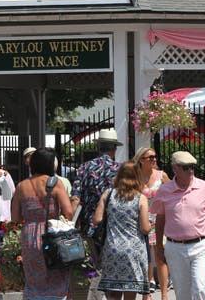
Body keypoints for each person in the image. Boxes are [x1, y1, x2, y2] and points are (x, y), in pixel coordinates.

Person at [151, 151, 205, 300]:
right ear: (175, 169)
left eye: (192, 167)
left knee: (200, 287)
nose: (190, 171)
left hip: (201, 245)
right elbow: (160, 220)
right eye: (186, 167)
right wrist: (159, 246)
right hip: (174, 247)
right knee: (182, 293)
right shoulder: (164, 190)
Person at [11, 147, 73, 299]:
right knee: (56, 274)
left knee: (33, 278)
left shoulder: (21, 186)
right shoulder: (56, 183)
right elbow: (69, 212)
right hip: (52, 234)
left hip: (30, 235)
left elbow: (15, 218)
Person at [92, 161, 151, 300]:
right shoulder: (141, 198)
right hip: (134, 250)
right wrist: (151, 225)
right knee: (130, 292)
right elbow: (144, 228)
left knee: (114, 293)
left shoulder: (109, 194)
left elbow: (97, 219)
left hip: (112, 249)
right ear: (137, 176)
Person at [133, 147, 171, 298]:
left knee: (160, 257)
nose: (154, 159)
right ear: (141, 160)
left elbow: (172, 195)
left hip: (159, 221)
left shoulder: (162, 176)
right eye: (150, 157)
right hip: (140, 221)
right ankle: (145, 293)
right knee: (143, 258)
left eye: (155, 156)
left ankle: (164, 294)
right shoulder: (134, 177)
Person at [71, 128, 123, 237]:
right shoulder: (121, 169)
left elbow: (76, 198)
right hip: (114, 224)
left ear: (98, 147)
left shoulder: (84, 167)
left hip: (89, 223)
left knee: (93, 254)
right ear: (114, 149)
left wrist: (71, 223)